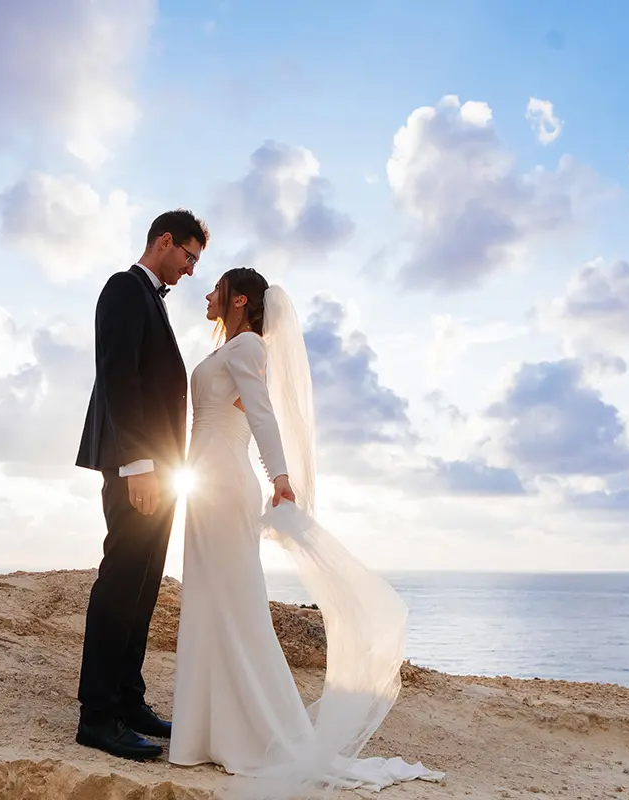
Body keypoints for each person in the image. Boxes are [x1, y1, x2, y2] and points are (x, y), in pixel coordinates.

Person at [169, 267, 445, 796]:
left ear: (239, 298)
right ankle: (202, 736)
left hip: (225, 484)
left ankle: (256, 735)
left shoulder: (248, 346)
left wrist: (280, 477)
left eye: (217, 289)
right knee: (209, 602)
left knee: (236, 606)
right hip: (204, 484)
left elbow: (263, 415)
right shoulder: (227, 349)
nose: (206, 294)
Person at [74, 209, 208, 761]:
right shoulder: (124, 289)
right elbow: (119, 378)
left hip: (163, 470)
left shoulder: (152, 298)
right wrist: (138, 466)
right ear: (165, 240)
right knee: (121, 583)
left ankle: (129, 700)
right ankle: (97, 716)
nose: (191, 270)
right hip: (140, 468)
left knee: (145, 585)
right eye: (189, 257)